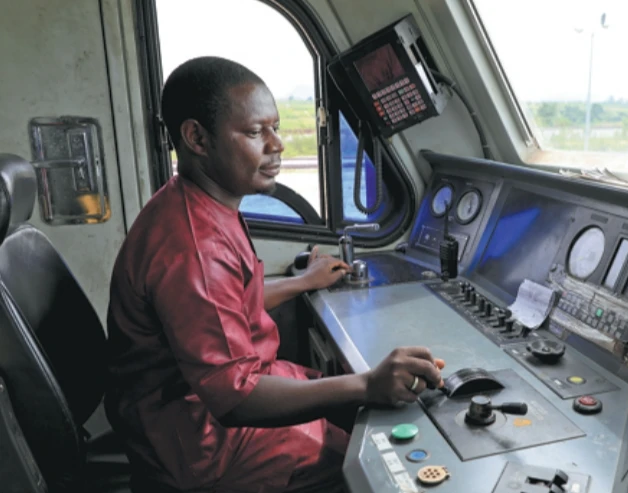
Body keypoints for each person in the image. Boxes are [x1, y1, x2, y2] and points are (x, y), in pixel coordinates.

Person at [104, 56, 443, 493]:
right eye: (253, 132)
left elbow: (220, 308)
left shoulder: (197, 206)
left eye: (275, 127)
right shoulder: (195, 245)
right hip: (203, 445)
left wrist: (301, 282)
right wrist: (366, 383)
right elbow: (235, 396)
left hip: (194, 415)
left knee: (359, 410)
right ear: (196, 138)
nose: (278, 144)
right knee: (382, 472)